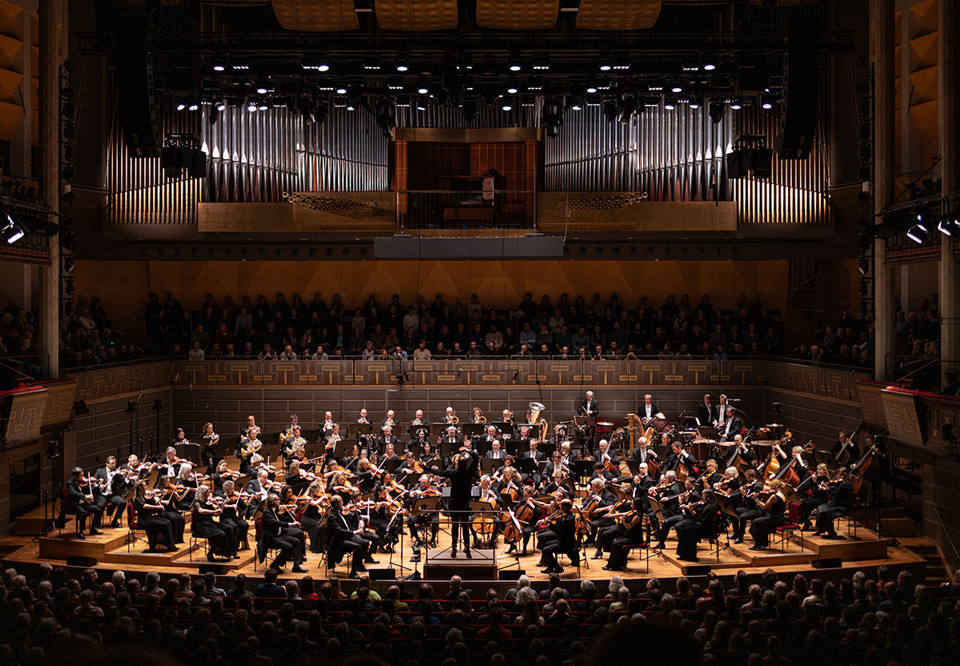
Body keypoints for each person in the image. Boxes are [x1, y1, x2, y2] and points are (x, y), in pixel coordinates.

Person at [439, 451, 479, 558]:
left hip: (455, 503)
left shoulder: (453, 473)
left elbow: (439, 473)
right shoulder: (469, 472)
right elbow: (476, 459)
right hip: (465, 503)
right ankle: (467, 549)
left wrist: (426, 468)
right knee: (465, 526)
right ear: (466, 464)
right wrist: (467, 450)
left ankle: (454, 548)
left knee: (455, 526)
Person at [259, 493, 306, 573]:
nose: (279, 501)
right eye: (277, 500)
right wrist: (290, 524)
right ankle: (275, 564)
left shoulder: (276, 511)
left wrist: (292, 511)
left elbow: (284, 520)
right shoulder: (267, 513)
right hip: (272, 538)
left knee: (296, 542)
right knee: (288, 547)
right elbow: (276, 523)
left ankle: (296, 566)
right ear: (271, 502)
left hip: (279, 535)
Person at [325, 495, 368, 577]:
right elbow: (339, 532)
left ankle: (359, 565)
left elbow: (352, 520)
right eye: (341, 501)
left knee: (365, 542)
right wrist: (354, 532)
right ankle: (353, 572)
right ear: (336, 504)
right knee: (358, 547)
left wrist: (357, 510)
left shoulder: (341, 512)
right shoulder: (332, 517)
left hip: (347, 537)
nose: (343, 503)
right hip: (338, 541)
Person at [192, 486, 238, 561]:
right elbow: (201, 511)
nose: (209, 494)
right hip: (201, 525)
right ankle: (211, 552)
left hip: (210, 523)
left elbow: (217, 514)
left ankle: (232, 552)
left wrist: (223, 504)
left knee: (229, 528)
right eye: (207, 492)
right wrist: (213, 511)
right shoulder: (197, 502)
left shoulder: (208, 502)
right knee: (221, 534)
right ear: (203, 493)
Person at [540, 498, 578, 575]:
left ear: (565, 507)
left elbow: (560, 532)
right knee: (544, 544)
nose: (559, 506)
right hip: (564, 540)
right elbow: (559, 524)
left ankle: (557, 568)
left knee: (545, 550)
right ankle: (551, 567)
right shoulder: (568, 514)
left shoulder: (568, 519)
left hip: (566, 544)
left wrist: (549, 524)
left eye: (561, 505)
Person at [814, 467, 854, 538]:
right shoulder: (842, 482)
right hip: (835, 503)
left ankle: (831, 532)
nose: (837, 477)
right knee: (820, 507)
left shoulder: (846, 484)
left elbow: (836, 493)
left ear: (842, 476)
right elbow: (835, 488)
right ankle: (821, 528)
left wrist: (827, 489)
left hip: (842, 506)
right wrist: (827, 487)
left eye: (838, 475)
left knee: (825, 512)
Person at [749, 479, 786, 550]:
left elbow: (764, 506)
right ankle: (763, 543)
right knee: (762, 524)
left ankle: (758, 544)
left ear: (774, 487)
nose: (769, 487)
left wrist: (756, 499)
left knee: (755, 522)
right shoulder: (782, 495)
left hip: (775, 519)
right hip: (780, 518)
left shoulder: (774, 497)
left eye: (771, 486)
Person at [66, 467, 102, 539]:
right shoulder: (70, 483)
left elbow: (88, 489)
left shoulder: (81, 482)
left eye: (83, 475)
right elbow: (74, 493)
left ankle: (93, 529)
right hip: (75, 503)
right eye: (81, 475)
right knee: (83, 513)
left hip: (82, 502)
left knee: (98, 510)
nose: (83, 477)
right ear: (75, 476)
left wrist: (97, 486)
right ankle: (81, 532)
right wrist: (85, 496)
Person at [93, 456, 128, 528]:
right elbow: (93, 483)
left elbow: (122, 486)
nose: (114, 465)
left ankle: (115, 521)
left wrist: (127, 478)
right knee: (100, 505)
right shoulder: (99, 471)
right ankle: (97, 523)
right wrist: (99, 485)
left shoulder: (117, 474)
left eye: (115, 463)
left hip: (112, 495)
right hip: (101, 495)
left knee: (122, 503)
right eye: (112, 463)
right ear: (107, 463)